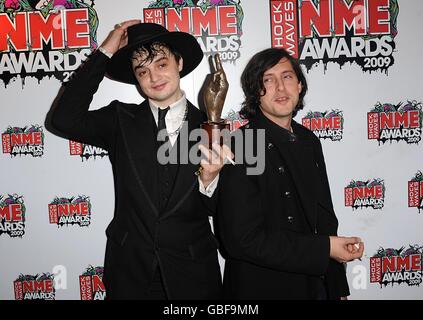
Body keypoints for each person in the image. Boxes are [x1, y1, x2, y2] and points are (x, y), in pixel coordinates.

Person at [49, 20, 230, 299]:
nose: (154, 77)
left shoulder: (213, 128)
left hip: (193, 275)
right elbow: (63, 119)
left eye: (161, 64)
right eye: (142, 71)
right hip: (130, 274)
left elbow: (223, 210)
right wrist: (106, 51)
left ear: (179, 62)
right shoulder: (120, 120)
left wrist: (209, 181)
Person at [216, 48, 364, 300]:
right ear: (255, 93)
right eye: (268, 80)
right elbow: (241, 240)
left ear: (300, 85)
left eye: (287, 77)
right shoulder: (242, 144)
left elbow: (325, 219)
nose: (280, 88)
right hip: (261, 287)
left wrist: (337, 288)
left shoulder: (308, 140)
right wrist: (326, 248)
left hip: (314, 286)